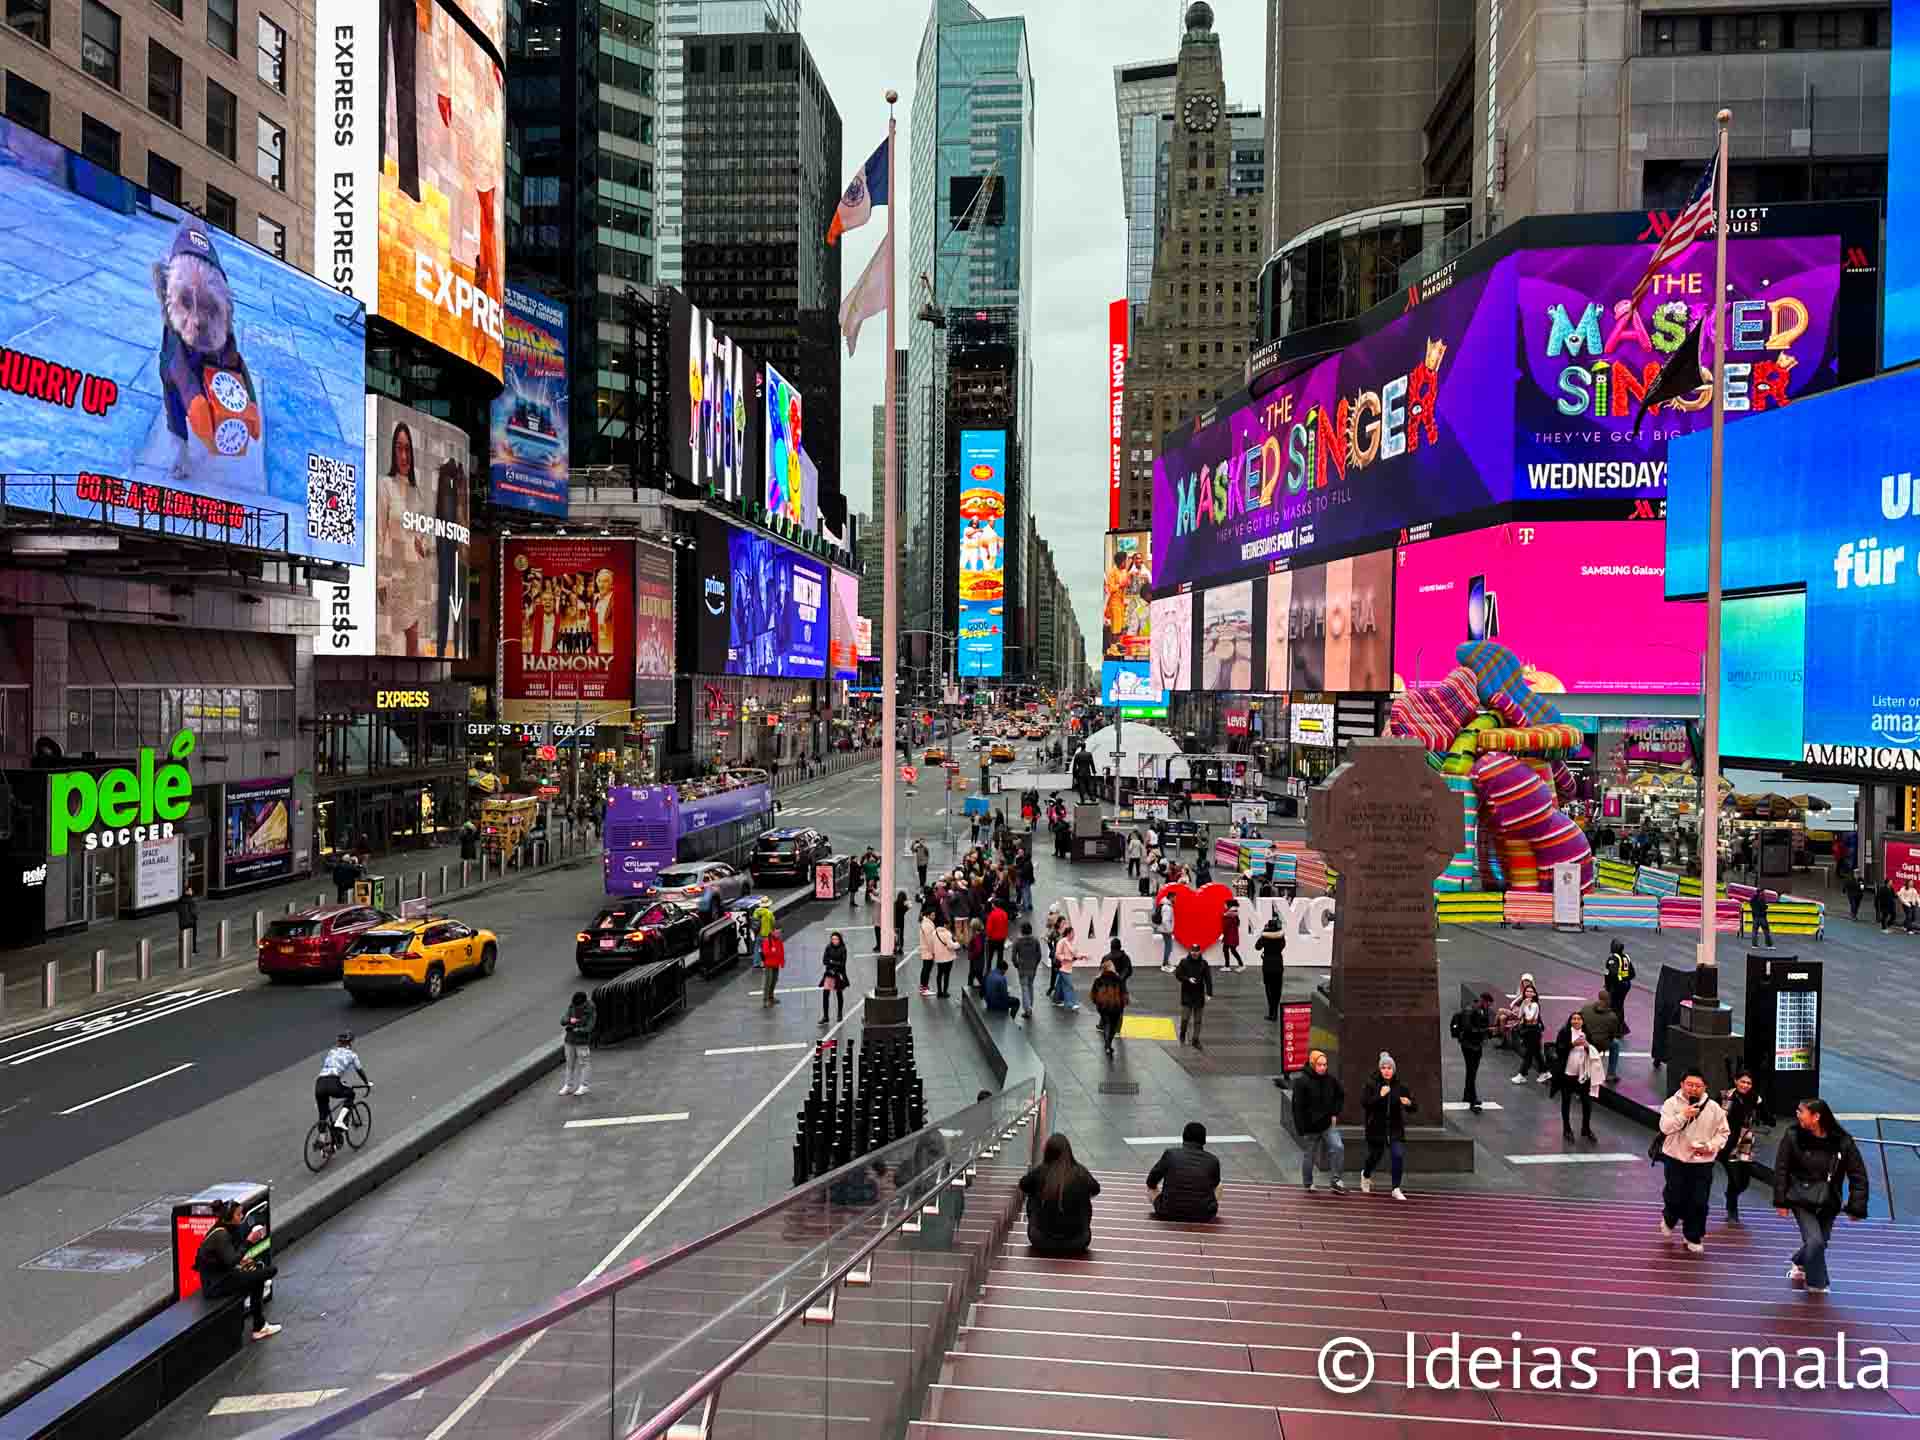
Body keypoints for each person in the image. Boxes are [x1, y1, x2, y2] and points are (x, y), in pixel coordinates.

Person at [1773, 1097, 1870, 1293]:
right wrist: (1781, 1201)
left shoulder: (1842, 1141)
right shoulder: (1793, 1136)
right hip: (1801, 1197)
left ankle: (1799, 1261)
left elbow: (1858, 1174)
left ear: (1816, 1116)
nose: (1797, 1114)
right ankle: (1817, 1284)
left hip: (1828, 1200)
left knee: (1820, 1242)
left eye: (1801, 1111)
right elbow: (1781, 1169)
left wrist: (1856, 1206)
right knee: (1815, 1241)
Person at [1658, 1069, 1731, 1254]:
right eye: (1689, 1084)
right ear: (1682, 1084)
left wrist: (1710, 1146)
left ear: (1705, 1087)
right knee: (1675, 1196)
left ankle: (1693, 1235)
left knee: (1699, 1201)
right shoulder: (1671, 1103)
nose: (1693, 1089)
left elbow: (1723, 1133)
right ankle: (1669, 1217)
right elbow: (1665, 1128)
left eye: (1698, 1086)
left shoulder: (1714, 1108)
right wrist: (1684, 1114)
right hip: (1675, 1158)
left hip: (1702, 1161)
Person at [193, 1199, 279, 1341]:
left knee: (256, 1278)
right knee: (269, 1271)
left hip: (221, 1277)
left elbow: (225, 1259)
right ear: (229, 1217)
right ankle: (259, 1326)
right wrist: (249, 1241)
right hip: (216, 1285)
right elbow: (231, 1261)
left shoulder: (222, 1230)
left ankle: (260, 1326)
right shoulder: (221, 1235)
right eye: (239, 1215)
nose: (242, 1216)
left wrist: (243, 1261)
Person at [1019, 1134, 1100, 1256]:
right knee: (1083, 1195)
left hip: (1041, 1240)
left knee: (1033, 1193)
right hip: (1078, 1242)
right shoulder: (1080, 1172)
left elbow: (1023, 1185)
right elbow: (1095, 1189)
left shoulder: (1041, 1171)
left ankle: (1043, 1225)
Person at [1361, 1052, 1416, 1199]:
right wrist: (1380, 1095)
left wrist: (1409, 1103)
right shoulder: (1372, 1084)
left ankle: (1396, 1188)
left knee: (1398, 1155)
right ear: (1379, 1069)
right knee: (1375, 1156)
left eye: (1389, 1068)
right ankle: (1366, 1174)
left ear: (1394, 1070)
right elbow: (1365, 1103)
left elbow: (1413, 1106)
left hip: (1395, 1128)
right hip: (1376, 1128)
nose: (1386, 1070)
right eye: (1383, 1067)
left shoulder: (1400, 1086)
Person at [1720, 1069, 1772, 1224]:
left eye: (1749, 1082)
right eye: (1742, 1081)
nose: (1745, 1085)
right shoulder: (1724, 1096)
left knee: (1744, 1181)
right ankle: (1732, 1209)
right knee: (1734, 1178)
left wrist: (1768, 1118)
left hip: (1745, 1140)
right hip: (1726, 1141)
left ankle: (1731, 1195)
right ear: (1736, 1081)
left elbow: (1766, 1115)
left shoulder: (1754, 1098)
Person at [1292, 1049, 1347, 1192]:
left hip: (1327, 1124)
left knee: (1338, 1147)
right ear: (1312, 1064)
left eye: (1325, 1064)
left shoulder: (1330, 1080)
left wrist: (1335, 1113)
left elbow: (1340, 1095)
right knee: (1310, 1155)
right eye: (1320, 1064)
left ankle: (1336, 1180)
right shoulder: (1302, 1082)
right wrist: (1301, 1128)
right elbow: (1297, 1106)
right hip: (1311, 1127)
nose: (1323, 1067)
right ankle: (1308, 1183)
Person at [1146, 1121, 1221, 1222]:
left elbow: (1151, 1182)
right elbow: (1214, 1185)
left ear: (1183, 1137)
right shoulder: (1213, 1160)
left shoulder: (1170, 1154)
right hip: (1203, 1215)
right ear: (1204, 1141)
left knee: (1151, 1188)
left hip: (1168, 1212)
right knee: (1219, 1186)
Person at [315, 1031, 370, 1146]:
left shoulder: (331, 1052)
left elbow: (331, 1068)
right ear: (350, 1043)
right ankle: (340, 1121)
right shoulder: (352, 1055)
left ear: (339, 1042)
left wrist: (340, 1082)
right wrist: (366, 1083)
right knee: (351, 1094)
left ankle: (322, 1140)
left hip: (320, 1082)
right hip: (333, 1081)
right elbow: (359, 1070)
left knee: (323, 1114)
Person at [1558, 1010, 1602, 1142]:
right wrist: (1573, 1044)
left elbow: (1594, 1050)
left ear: (1582, 1021)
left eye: (1578, 1019)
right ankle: (1567, 1129)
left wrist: (1587, 1046)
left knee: (1587, 1103)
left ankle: (1586, 1129)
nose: (1576, 1021)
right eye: (1573, 1019)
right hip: (1568, 1073)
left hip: (1583, 1075)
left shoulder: (1587, 1034)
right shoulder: (1564, 1032)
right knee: (1566, 1101)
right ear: (1570, 1021)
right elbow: (1559, 1049)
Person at [1450, 991, 1492, 1114]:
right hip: (1469, 1045)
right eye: (1488, 1004)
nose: (1488, 1007)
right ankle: (1472, 1100)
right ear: (1484, 1001)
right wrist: (1484, 1031)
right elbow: (1469, 1029)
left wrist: (1488, 1031)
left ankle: (1467, 1096)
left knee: (1471, 1071)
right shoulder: (1470, 1010)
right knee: (1471, 1071)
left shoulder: (1481, 1010)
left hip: (1476, 1045)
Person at [1576, 988, 1623, 1094]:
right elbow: (1613, 1034)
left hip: (1585, 1041)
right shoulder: (1612, 1016)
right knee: (1615, 1044)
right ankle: (1611, 1074)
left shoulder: (1585, 1008)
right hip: (1600, 1044)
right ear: (1608, 1001)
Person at [1603, 941, 1635, 1082]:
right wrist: (1625, 980)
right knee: (1619, 1007)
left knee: (1614, 1008)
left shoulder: (1613, 958)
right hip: (1626, 985)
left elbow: (1613, 973)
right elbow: (1632, 973)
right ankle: (1621, 1028)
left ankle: (1617, 1029)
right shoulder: (1626, 957)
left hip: (1617, 987)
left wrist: (1615, 983)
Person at [557, 990, 596, 1095]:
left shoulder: (590, 1010)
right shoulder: (572, 1006)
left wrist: (578, 1029)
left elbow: (590, 1027)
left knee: (584, 1063)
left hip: (581, 1041)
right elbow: (563, 1020)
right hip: (569, 1040)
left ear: (583, 1003)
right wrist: (570, 1020)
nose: (576, 1007)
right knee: (569, 1063)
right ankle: (568, 1085)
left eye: (578, 1006)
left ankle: (584, 1085)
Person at [1509, 977, 1547, 1083]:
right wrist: (1523, 1005)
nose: (1528, 993)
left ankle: (1522, 1074)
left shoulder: (1534, 1005)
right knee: (1536, 1053)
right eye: (1527, 991)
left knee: (1529, 1054)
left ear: (1534, 994)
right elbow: (1520, 1015)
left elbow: (1529, 1017)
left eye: (1531, 991)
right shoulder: (1525, 1003)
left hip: (1534, 1031)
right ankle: (1545, 1072)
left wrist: (1525, 1006)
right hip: (1528, 1031)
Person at [1174, 947, 1212, 1050]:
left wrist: (1209, 993)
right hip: (1187, 994)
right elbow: (1178, 974)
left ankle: (1195, 1039)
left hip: (1199, 995)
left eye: (1196, 951)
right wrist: (1187, 979)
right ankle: (1183, 1032)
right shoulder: (1184, 962)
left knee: (1198, 1020)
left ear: (1199, 952)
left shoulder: (1204, 963)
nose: (1195, 953)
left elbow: (1208, 978)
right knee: (1185, 1018)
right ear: (1190, 952)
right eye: (1193, 951)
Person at [1089, 957, 1128, 1058]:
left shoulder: (1098, 979)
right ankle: (1108, 1044)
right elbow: (1123, 993)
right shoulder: (1118, 978)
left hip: (1103, 1006)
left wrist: (1097, 1002)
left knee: (1106, 1023)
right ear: (1111, 968)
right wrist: (1123, 1004)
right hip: (1115, 1006)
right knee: (1113, 1026)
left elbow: (1093, 993)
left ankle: (1107, 1045)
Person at [1257, 911, 1287, 1022]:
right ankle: (1275, 1012)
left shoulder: (1265, 937)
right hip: (1278, 965)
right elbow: (1283, 946)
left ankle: (1271, 1012)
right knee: (1277, 989)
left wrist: (1263, 933)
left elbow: (1257, 947)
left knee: (1268, 988)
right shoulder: (1280, 938)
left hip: (1267, 965)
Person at [1010, 921, 1042, 1017]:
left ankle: (1027, 1009)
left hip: (1022, 968)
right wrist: (1035, 964)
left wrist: (1017, 965)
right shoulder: (1035, 940)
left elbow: (1013, 957)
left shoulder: (1018, 941)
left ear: (1022, 930)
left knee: (1024, 988)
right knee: (1030, 986)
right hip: (1032, 968)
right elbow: (1039, 955)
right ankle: (1030, 1006)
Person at [820, 931, 850, 1026]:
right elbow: (824, 961)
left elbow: (842, 963)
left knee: (839, 993)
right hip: (829, 973)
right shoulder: (828, 947)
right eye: (832, 939)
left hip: (839, 974)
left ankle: (839, 1013)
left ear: (840, 939)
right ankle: (825, 1016)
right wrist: (833, 963)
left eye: (836, 939)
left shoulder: (843, 949)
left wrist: (832, 962)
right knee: (825, 994)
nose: (834, 941)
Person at [1051, 926, 1082, 1011]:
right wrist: (1066, 958)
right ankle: (1072, 1003)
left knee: (1060, 985)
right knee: (1069, 985)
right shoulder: (1062, 942)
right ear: (1069, 933)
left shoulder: (1069, 942)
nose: (1074, 935)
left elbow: (1074, 954)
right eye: (1073, 933)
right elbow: (1057, 954)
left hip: (1067, 967)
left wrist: (1081, 956)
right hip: (1063, 967)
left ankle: (1056, 1000)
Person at [983, 956, 1021, 1021]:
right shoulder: (1002, 979)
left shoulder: (989, 974)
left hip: (988, 1000)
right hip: (996, 1003)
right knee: (1016, 1002)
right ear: (1003, 969)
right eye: (1005, 971)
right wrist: (1007, 993)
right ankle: (1011, 1019)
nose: (1005, 973)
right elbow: (1004, 995)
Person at [932, 917, 958, 999]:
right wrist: (957, 944)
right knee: (947, 975)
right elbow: (951, 946)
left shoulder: (934, 933)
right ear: (945, 925)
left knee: (939, 974)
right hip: (948, 957)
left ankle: (939, 991)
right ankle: (945, 992)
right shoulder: (947, 934)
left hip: (939, 957)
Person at [760, 924, 786, 1007]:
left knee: (774, 981)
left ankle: (771, 997)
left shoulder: (779, 941)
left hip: (776, 964)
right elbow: (765, 952)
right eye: (777, 932)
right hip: (769, 964)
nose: (778, 934)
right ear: (772, 931)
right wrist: (773, 952)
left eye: (780, 933)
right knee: (768, 982)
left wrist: (782, 962)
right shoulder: (767, 940)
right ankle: (765, 1000)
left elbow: (781, 952)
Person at [984, 899, 1010, 977]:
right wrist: (1005, 936)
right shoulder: (1004, 914)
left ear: (994, 905)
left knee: (990, 956)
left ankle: (988, 969)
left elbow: (989, 928)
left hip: (992, 939)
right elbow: (1006, 926)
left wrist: (987, 936)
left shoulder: (992, 914)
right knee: (1000, 955)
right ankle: (999, 970)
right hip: (1001, 938)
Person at [918, 905, 939, 997]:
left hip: (926, 950)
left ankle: (923, 987)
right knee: (927, 969)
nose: (934, 917)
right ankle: (924, 988)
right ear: (928, 915)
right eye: (933, 915)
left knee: (925, 968)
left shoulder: (926, 923)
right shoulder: (927, 925)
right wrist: (934, 951)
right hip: (928, 951)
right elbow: (930, 940)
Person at [1220, 903, 1244, 970]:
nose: (1224, 906)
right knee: (1226, 950)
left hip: (1230, 937)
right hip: (1231, 936)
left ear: (1228, 906)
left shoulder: (1229, 916)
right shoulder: (1233, 916)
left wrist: (1224, 916)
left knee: (1232, 950)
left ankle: (1241, 965)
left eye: (1225, 905)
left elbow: (1225, 927)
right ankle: (1227, 966)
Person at [177, 890, 199, 956]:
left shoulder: (180, 900)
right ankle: (193, 950)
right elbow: (193, 911)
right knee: (193, 936)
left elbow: (178, 911)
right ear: (186, 892)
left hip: (182, 922)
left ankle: (182, 950)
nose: (191, 891)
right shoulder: (190, 900)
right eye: (190, 890)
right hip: (191, 921)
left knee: (182, 936)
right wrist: (195, 917)